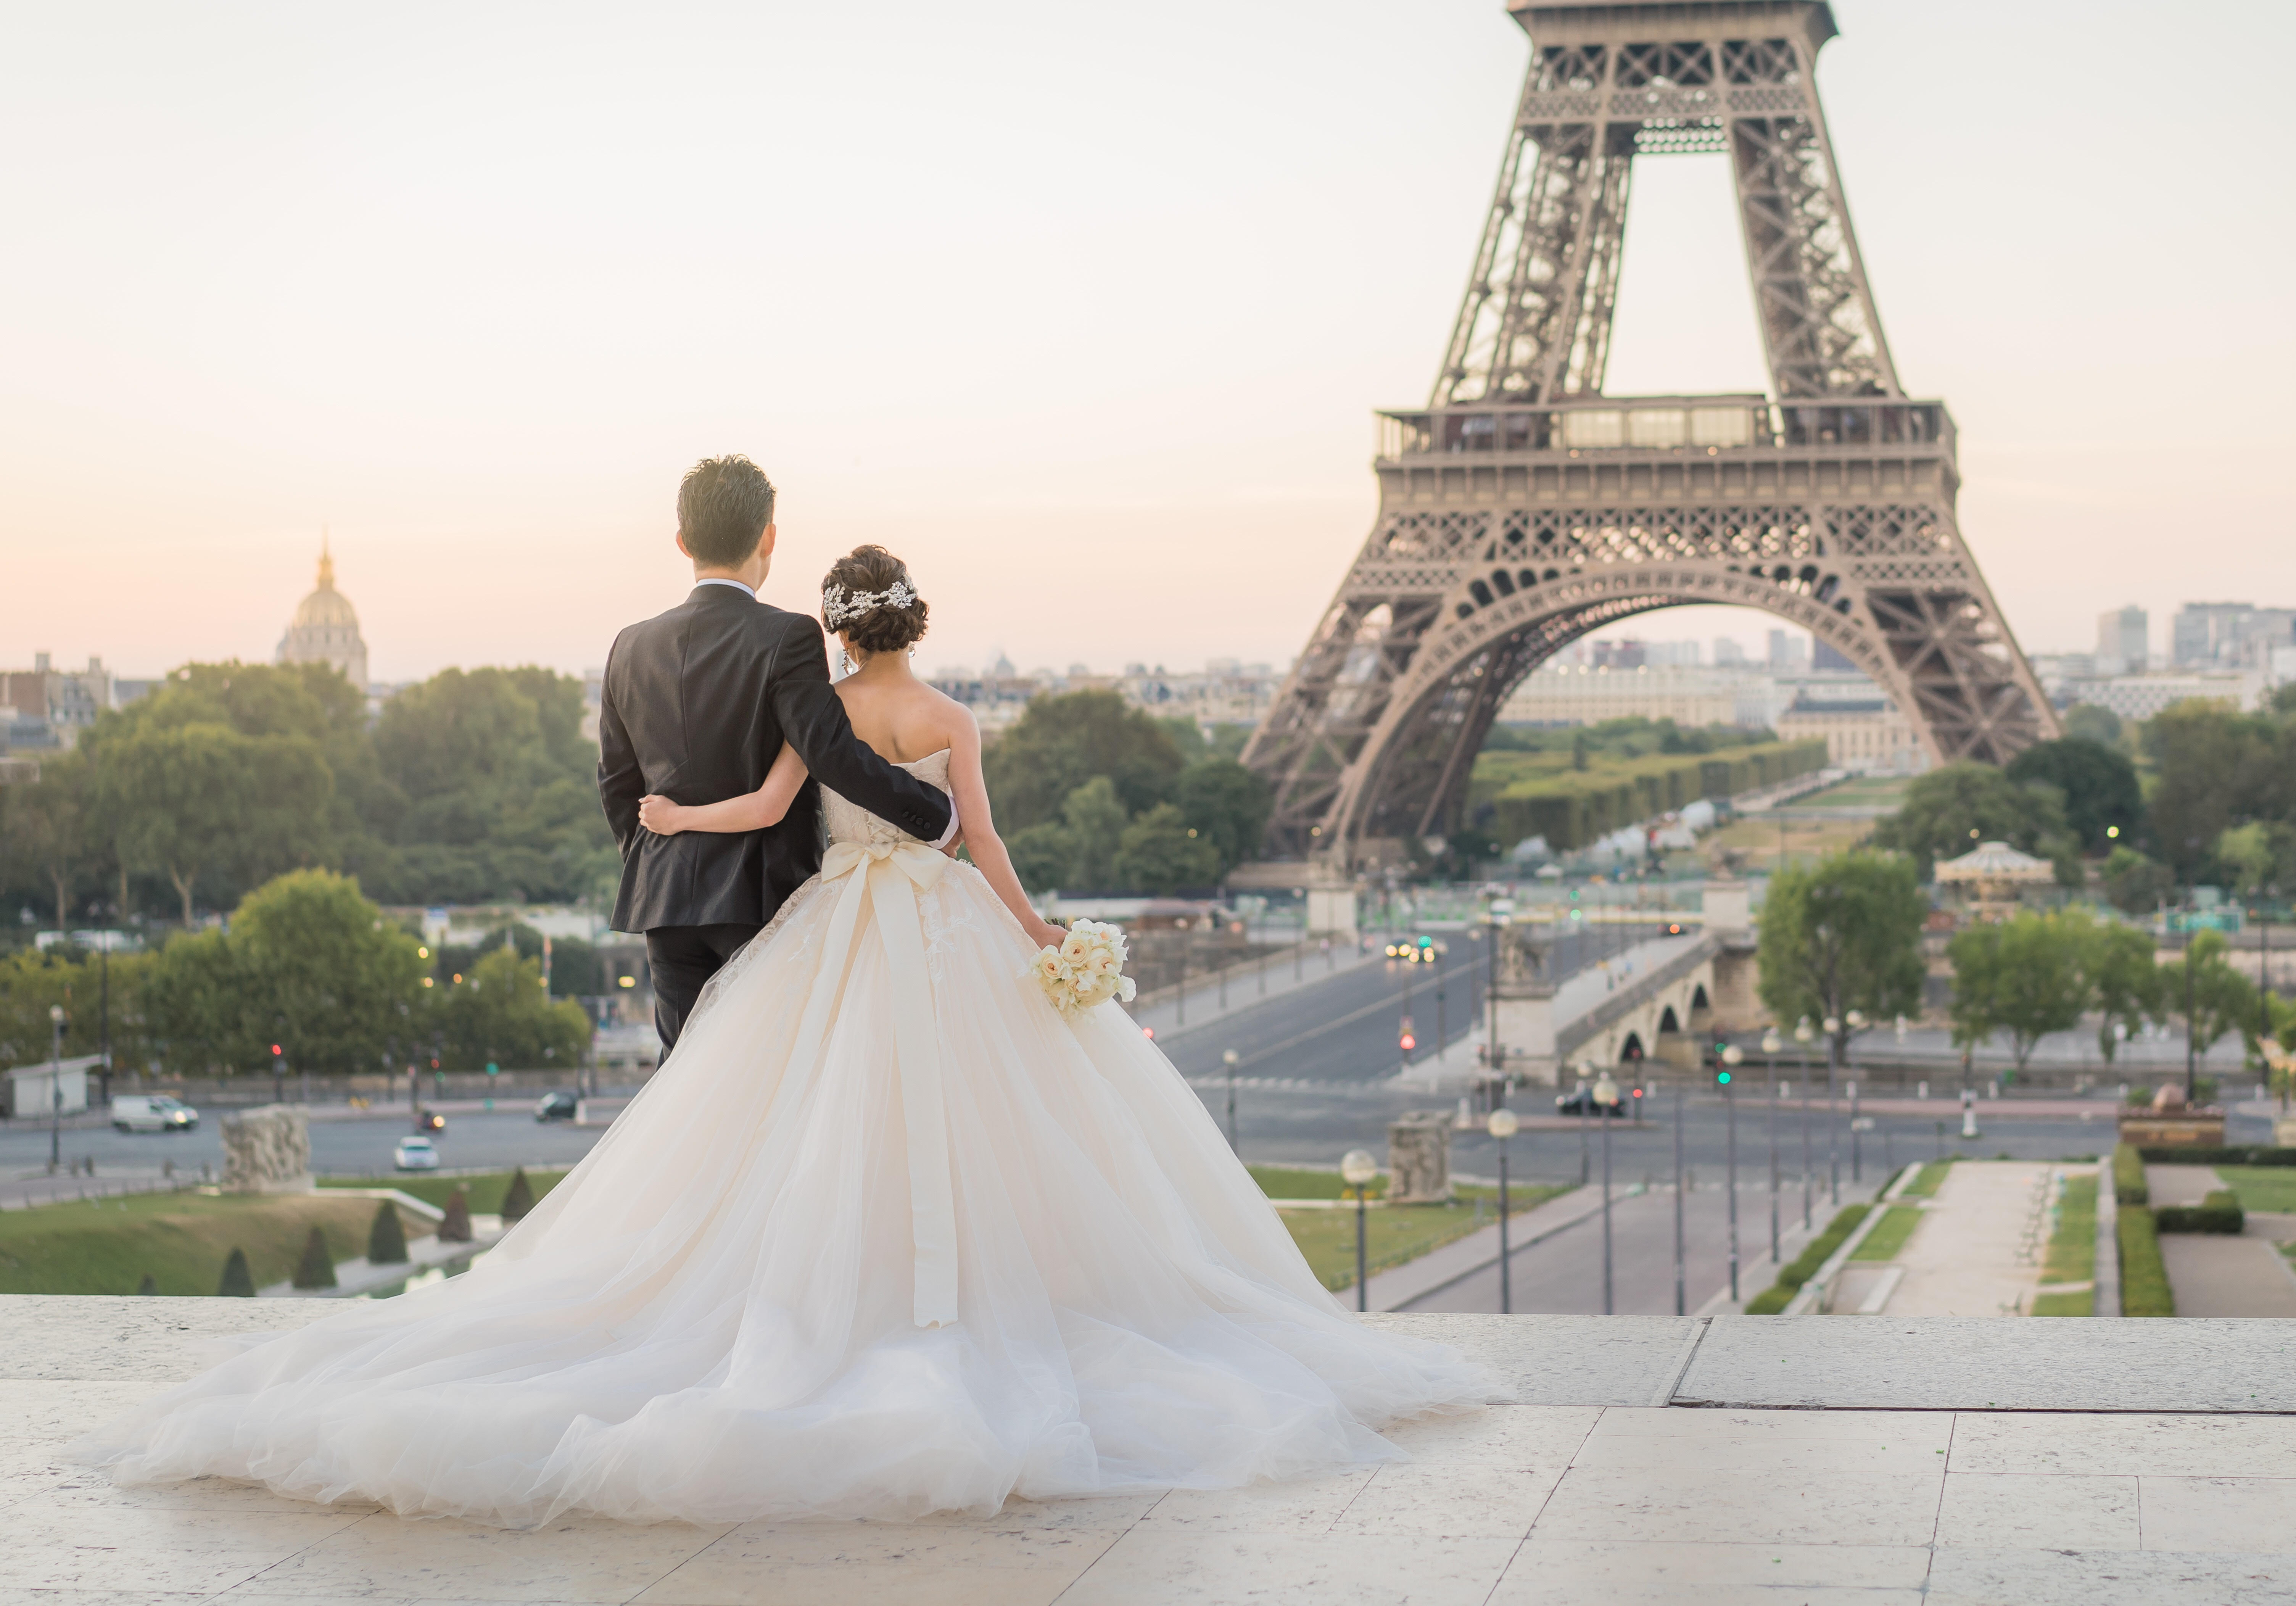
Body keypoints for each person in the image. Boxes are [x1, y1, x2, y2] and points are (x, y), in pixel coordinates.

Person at [69, 542, 1486, 1527]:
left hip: (829, 930)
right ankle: (942, 1301)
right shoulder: (949, 713)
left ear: (841, 629)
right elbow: (982, 842)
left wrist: (669, 816)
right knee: (986, 1136)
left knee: (797, 1127)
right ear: (917, 623)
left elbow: (762, 812)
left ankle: (827, 1293)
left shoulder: (816, 703)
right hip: (937, 922)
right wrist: (1039, 932)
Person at [597, 456, 958, 1056]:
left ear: (683, 541)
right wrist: (935, 813)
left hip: (664, 902)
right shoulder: (787, 635)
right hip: (763, 894)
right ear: (769, 537)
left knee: (685, 1080)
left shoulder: (630, 645)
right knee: (770, 1073)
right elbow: (832, 752)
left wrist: (657, 859)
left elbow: (617, 784)